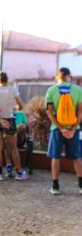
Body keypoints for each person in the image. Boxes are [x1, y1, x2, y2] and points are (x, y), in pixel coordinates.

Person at [45, 67, 82, 195]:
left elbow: (49, 113)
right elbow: (80, 112)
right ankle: (81, 186)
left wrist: (60, 128)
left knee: (55, 157)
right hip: (74, 128)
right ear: (69, 76)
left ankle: (55, 187)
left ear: (58, 77)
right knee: (77, 157)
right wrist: (72, 129)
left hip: (56, 129)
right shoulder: (78, 90)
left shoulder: (51, 90)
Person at [0, 71, 28, 181]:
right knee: (13, 147)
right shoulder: (13, 90)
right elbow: (21, 105)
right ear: (7, 79)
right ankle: (18, 173)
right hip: (9, 119)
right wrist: (14, 108)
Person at [4, 110, 28, 177]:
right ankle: (9, 166)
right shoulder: (5, 114)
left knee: (21, 126)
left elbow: (26, 126)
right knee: (7, 142)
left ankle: (13, 136)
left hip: (20, 139)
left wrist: (15, 131)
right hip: (9, 140)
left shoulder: (21, 114)